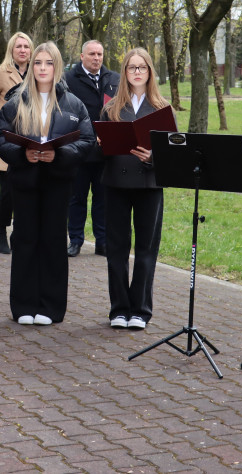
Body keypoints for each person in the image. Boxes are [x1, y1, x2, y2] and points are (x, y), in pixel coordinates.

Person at [0, 41, 94, 325]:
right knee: (25, 240)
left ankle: (51, 307)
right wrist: (22, 154)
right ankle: (24, 306)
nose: (42, 68)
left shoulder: (73, 104)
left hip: (58, 183)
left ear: (57, 66)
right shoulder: (17, 101)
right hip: (24, 182)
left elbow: (87, 140)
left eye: (48, 63)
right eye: (37, 63)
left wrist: (60, 154)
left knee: (53, 241)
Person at [100, 48, 172, 330]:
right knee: (116, 249)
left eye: (142, 67)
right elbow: (99, 151)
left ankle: (140, 310)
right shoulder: (111, 108)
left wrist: (154, 157)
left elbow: (174, 154)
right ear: (125, 72)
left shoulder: (162, 108)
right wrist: (100, 143)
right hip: (116, 183)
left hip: (149, 184)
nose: (137, 72)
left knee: (146, 250)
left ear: (150, 71)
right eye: (132, 67)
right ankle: (119, 309)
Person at [64, 39, 119, 257]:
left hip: (105, 152)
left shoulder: (113, 79)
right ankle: (75, 240)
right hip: (79, 150)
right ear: (82, 56)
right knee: (76, 198)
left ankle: (102, 242)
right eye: (92, 54)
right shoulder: (69, 79)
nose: (96, 58)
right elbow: (66, 112)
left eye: (99, 54)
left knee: (102, 199)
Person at [0, 32, 32, 254]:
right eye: (18, 46)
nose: (22, 50)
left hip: (31, 142)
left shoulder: (37, 72)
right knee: (8, 192)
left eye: (26, 46)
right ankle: (1, 231)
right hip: (7, 143)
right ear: (11, 50)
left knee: (26, 190)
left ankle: (21, 232)